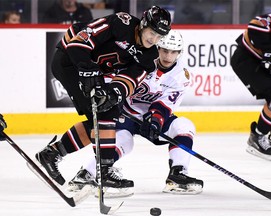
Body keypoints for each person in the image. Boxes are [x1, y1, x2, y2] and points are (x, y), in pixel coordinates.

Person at [35, 5, 171, 188]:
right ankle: (104, 171)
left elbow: (130, 80)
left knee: (105, 112)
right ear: (143, 24)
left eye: (158, 36)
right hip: (69, 60)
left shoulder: (150, 55)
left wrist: (114, 93)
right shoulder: (122, 23)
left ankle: (52, 153)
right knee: (104, 115)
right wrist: (88, 71)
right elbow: (79, 42)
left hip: (94, 71)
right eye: (151, 32)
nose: (153, 39)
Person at [67, 30, 204, 196]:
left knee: (184, 125)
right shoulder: (142, 61)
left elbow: (166, 104)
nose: (168, 56)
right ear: (158, 48)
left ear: (179, 53)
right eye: (165, 50)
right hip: (125, 114)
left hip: (153, 119)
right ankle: (87, 174)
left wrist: (155, 120)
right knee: (125, 140)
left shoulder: (182, 75)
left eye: (173, 52)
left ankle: (177, 174)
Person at [230, 11, 271, 161]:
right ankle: (256, 137)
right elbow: (256, 24)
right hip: (248, 60)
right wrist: (270, 51)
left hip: (267, 66)